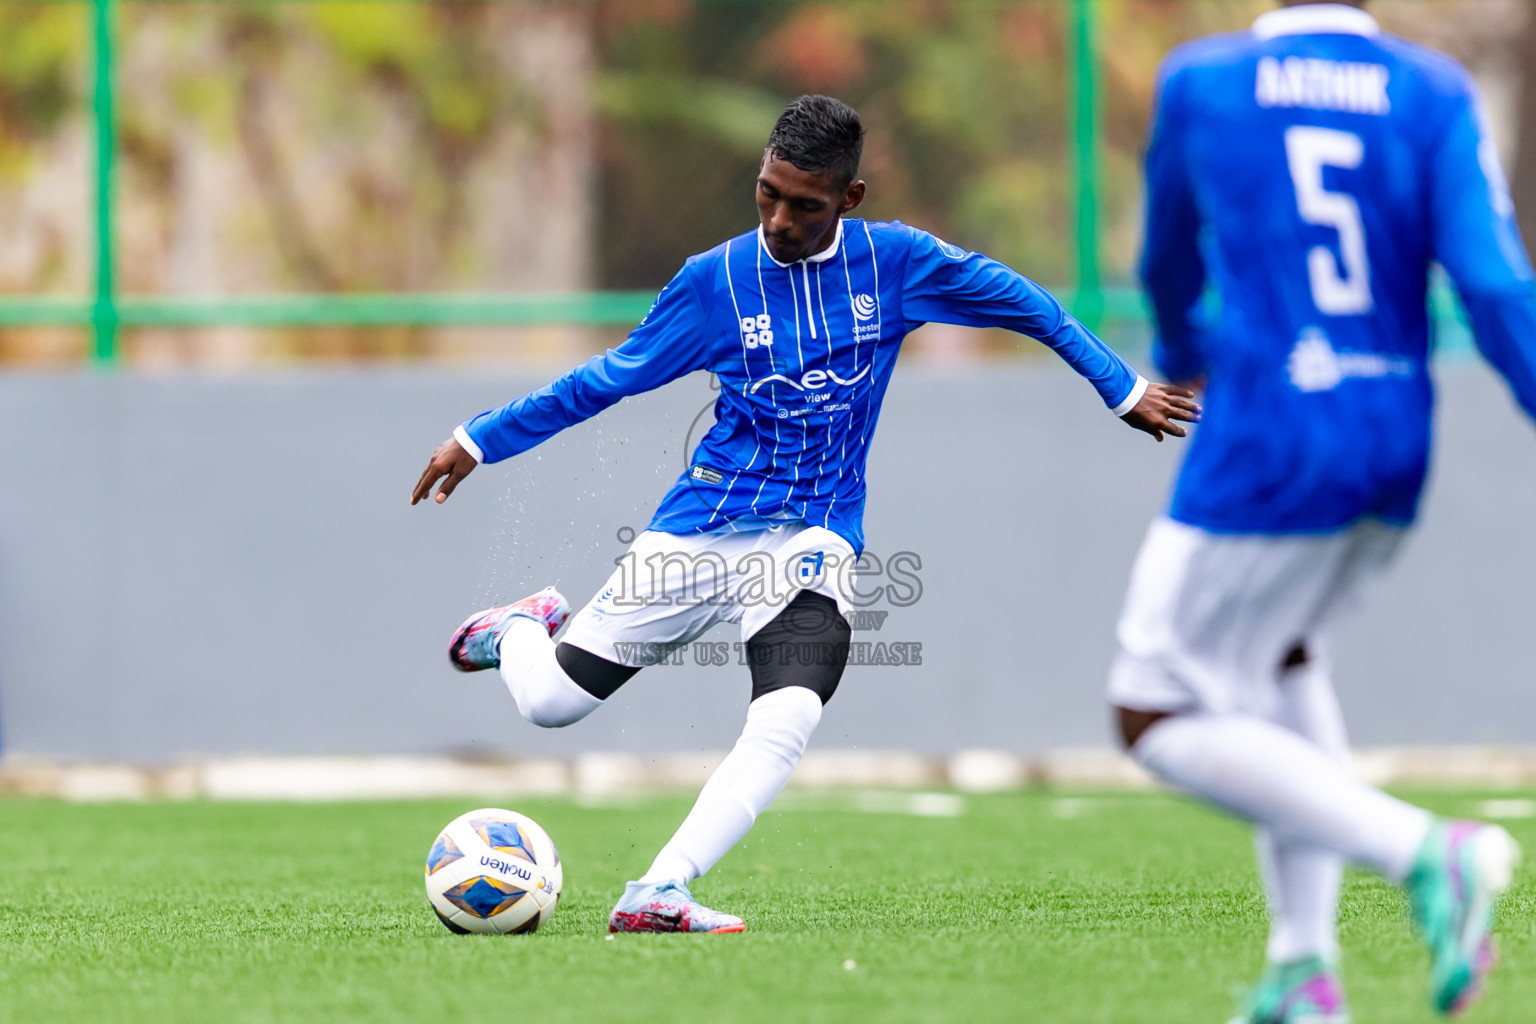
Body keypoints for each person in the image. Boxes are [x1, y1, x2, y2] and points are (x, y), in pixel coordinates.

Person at [414, 94, 1197, 934]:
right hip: (703, 525)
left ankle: (658, 890)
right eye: (767, 194)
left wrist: (1120, 388)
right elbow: (605, 380)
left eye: (804, 203)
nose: (780, 218)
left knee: (788, 711)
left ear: (849, 200)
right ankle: (523, 627)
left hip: (815, 532)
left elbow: (1026, 304)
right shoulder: (712, 283)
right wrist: (480, 437)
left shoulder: (898, 263)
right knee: (551, 704)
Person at [1111, 2, 1536, 1020]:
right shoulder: (1433, 90)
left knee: (1151, 707)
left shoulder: (1202, 81)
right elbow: (1490, 281)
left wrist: (1179, 358)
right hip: (1393, 435)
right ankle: (1303, 968)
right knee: (1281, 656)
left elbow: (1166, 263)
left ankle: (1431, 853)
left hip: (1269, 437)